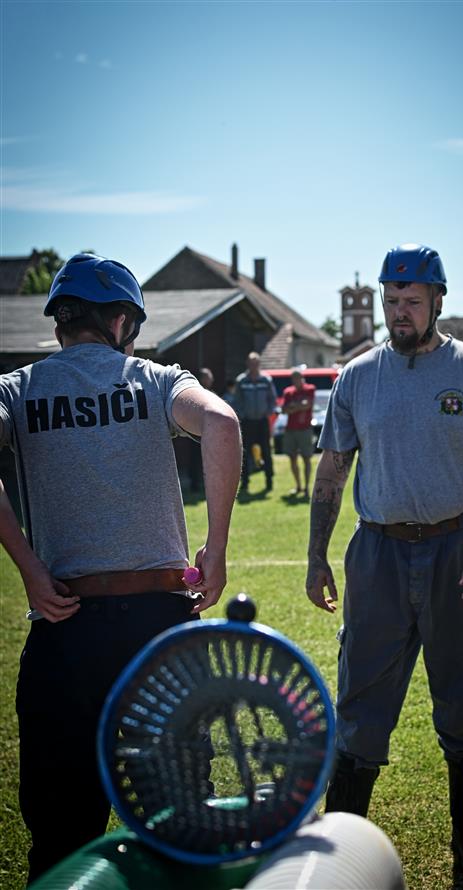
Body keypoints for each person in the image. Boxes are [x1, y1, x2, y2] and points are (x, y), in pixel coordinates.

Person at [0, 253, 242, 884]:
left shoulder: (19, 388)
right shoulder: (156, 379)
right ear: (121, 322)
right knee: (181, 820)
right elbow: (221, 421)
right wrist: (215, 547)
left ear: (60, 321)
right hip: (160, 629)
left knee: (61, 835)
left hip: (65, 626)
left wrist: (27, 565)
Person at [306, 243, 463, 881]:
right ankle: (337, 851)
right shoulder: (357, 376)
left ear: (437, 300)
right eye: (391, 300)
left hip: (460, 549)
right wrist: (317, 555)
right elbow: (331, 472)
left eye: (411, 300)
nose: (399, 311)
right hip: (377, 553)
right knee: (360, 704)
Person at [234, 352, 276, 493]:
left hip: (262, 421)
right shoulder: (241, 381)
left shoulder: (266, 380)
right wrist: (243, 414)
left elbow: (272, 399)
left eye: (256, 363)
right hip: (248, 422)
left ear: (259, 364)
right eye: (251, 363)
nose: (253, 366)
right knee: (245, 453)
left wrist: (268, 412)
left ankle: (269, 481)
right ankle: (245, 482)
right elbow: (237, 401)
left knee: (266, 452)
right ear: (247, 364)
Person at [281, 368, 316, 499]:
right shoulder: (288, 392)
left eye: (298, 378)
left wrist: (293, 406)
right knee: (292, 458)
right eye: (294, 378)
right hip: (291, 430)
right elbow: (284, 410)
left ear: (302, 378)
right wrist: (299, 405)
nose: (296, 380)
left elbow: (308, 405)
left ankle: (307, 487)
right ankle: (298, 486)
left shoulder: (310, 389)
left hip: (305, 429)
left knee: (306, 458)